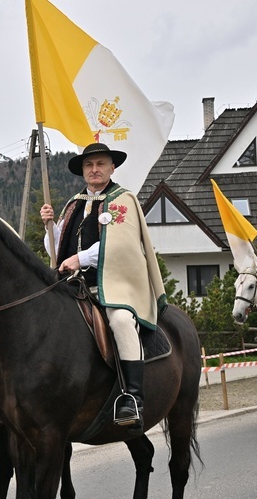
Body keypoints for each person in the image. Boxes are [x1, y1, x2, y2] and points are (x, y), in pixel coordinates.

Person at [39, 142, 166, 429]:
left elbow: (120, 246)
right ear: (83, 171)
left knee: (120, 321)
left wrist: (80, 258)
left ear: (112, 167)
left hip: (112, 284)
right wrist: (51, 228)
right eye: (89, 165)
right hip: (72, 287)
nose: (94, 170)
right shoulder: (74, 203)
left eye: (100, 164)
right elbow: (56, 251)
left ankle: (132, 397)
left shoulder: (123, 200)